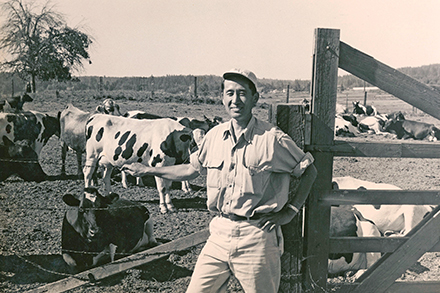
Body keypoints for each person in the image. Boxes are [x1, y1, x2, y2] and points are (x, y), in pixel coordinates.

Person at [122, 69, 317, 293]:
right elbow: (191, 169)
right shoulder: (214, 136)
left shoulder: (271, 139)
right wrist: (147, 170)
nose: (236, 100)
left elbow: (309, 171)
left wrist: (290, 211)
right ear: (222, 97)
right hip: (219, 231)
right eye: (230, 93)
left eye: (242, 93)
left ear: (255, 98)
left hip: (257, 236)